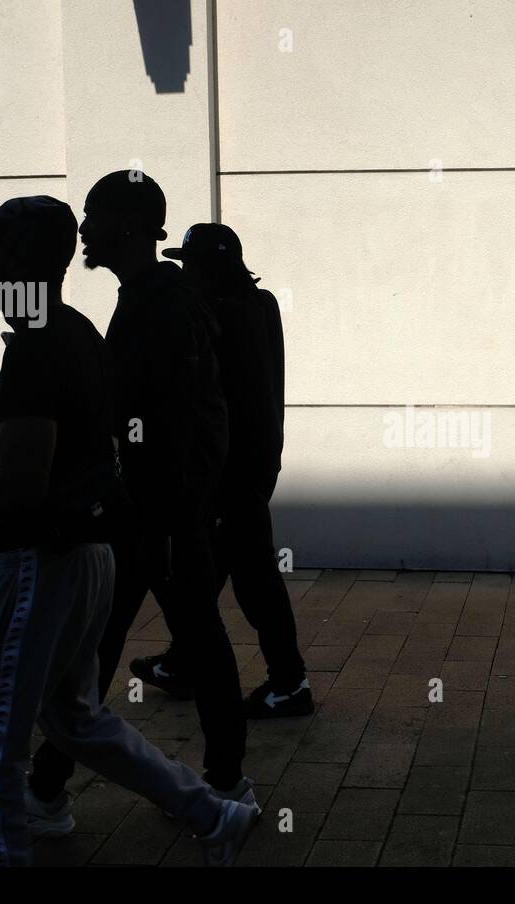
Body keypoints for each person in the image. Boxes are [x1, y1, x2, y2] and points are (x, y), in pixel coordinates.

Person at [0, 195, 256, 866]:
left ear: (21, 261)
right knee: (75, 717)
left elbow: (23, 487)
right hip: (91, 554)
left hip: (43, 560)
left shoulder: (39, 348)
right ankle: (214, 811)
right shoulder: (79, 329)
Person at [26, 173, 256, 824]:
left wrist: (171, 516)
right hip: (145, 512)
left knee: (190, 645)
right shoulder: (145, 297)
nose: (84, 230)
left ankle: (225, 783)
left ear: (129, 225)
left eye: (94, 217)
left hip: (164, 514)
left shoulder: (164, 302)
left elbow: (186, 418)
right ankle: (48, 785)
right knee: (102, 644)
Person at [131, 222, 312, 719]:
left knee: (254, 580)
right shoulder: (260, 306)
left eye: (191, 266)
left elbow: (211, 393)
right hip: (248, 467)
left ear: (210, 270)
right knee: (204, 571)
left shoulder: (224, 318)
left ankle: (290, 682)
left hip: (232, 473)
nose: (186, 274)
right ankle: (184, 663)